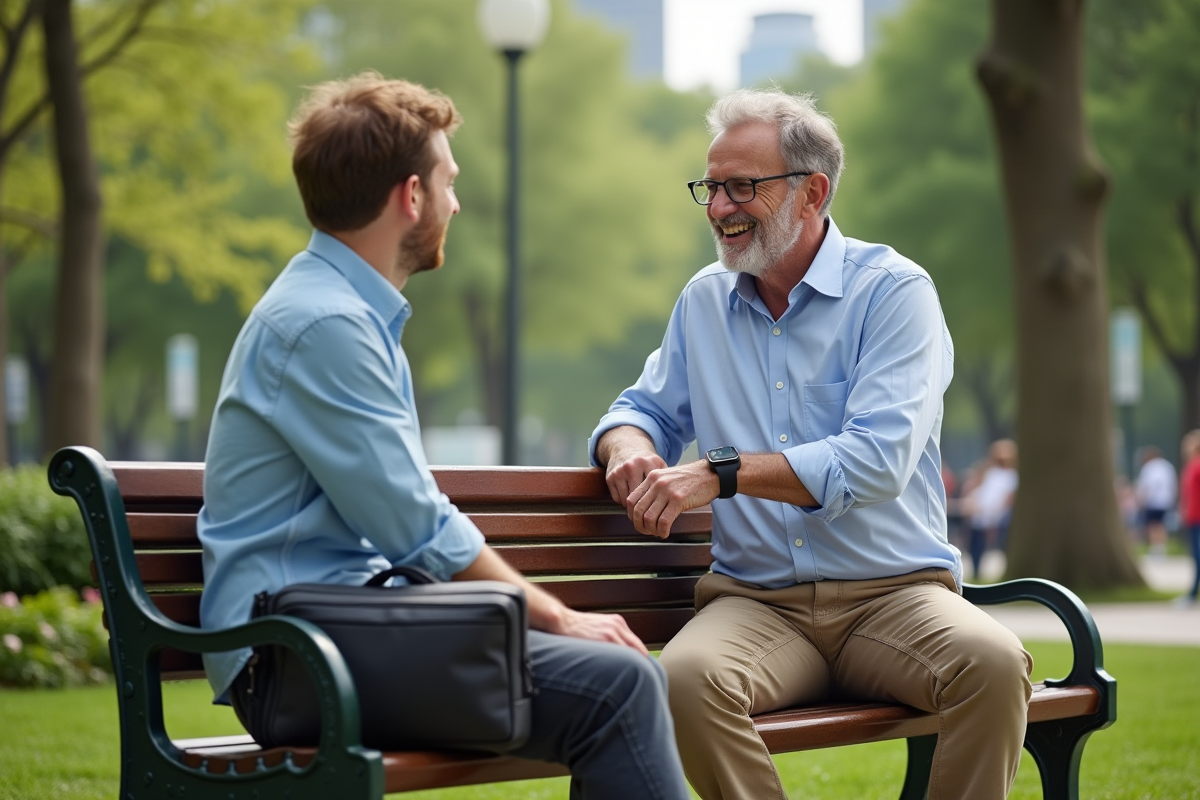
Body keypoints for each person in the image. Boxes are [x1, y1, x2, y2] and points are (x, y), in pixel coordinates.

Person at [197, 72, 690, 799]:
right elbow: (413, 524)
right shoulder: (325, 325)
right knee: (616, 684)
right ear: (412, 196)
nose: (456, 202)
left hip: (337, 633)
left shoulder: (340, 312)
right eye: (448, 181)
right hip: (294, 658)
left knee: (621, 678)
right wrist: (554, 616)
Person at [590, 88, 1032, 800]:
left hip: (894, 596)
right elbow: (638, 408)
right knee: (681, 681)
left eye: (743, 187)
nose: (719, 207)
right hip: (755, 603)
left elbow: (875, 460)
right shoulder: (703, 300)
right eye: (711, 186)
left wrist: (721, 475)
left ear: (812, 191)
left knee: (991, 662)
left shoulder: (894, 293)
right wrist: (629, 447)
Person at [963, 439, 1018, 580]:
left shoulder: (1010, 476)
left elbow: (1006, 498)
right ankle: (976, 571)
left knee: (992, 545)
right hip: (981, 514)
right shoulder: (990, 473)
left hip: (995, 515)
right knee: (976, 545)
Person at [1135, 445, 1177, 557]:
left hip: (1152, 501)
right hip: (1165, 501)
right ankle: (1161, 549)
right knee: (1161, 525)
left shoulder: (1148, 467)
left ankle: (1155, 549)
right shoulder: (1167, 466)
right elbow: (1172, 484)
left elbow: (1145, 487)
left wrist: (1141, 501)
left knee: (1152, 525)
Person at [1177, 430, 1200, 605]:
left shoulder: (1197, 465)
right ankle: (1192, 592)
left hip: (1197, 517)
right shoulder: (1192, 465)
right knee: (1196, 556)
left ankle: (1192, 593)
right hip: (1193, 517)